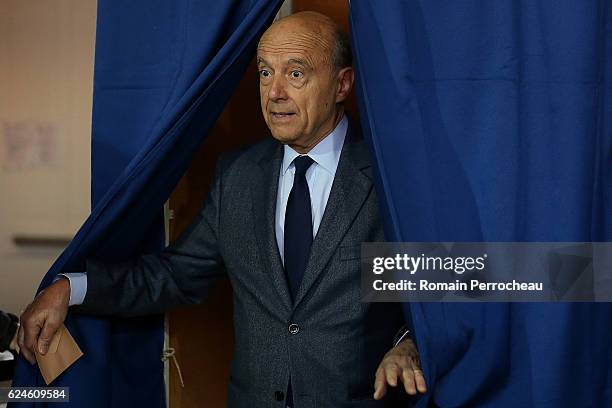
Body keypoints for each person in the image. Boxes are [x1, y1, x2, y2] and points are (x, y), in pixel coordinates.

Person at [18, 11, 427, 407]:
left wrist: (411, 344)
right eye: (265, 72)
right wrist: (71, 287)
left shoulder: (393, 173)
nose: (275, 92)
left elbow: (458, 277)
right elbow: (177, 275)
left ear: (342, 84)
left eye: (296, 73)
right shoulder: (238, 174)